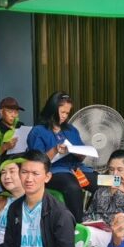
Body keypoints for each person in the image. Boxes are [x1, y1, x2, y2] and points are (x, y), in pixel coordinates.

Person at [26, 91, 95, 222]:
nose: (64, 116)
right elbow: (37, 162)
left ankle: (96, 218)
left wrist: (77, 152)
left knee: (104, 181)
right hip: (54, 170)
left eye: (67, 113)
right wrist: (55, 150)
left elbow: (81, 156)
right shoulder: (38, 131)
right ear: (52, 109)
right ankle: (77, 224)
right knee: (72, 186)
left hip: (77, 169)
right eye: (62, 112)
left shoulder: (71, 130)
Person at [83, 149, 124, 247]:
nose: (115, 174)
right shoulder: (101, 189)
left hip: (118, 237)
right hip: (97, 233)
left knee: (79, 237)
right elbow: (88, 214)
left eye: (120, 170)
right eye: (111, 169)